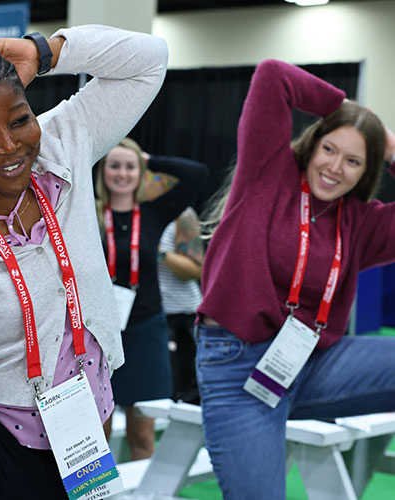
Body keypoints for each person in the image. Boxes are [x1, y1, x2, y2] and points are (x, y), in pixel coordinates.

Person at [0, 24, 168, 499]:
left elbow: (149, 60)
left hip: (80, 424)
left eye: (20, 119)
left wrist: (46, 52)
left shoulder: (63, 148)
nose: (9, 145)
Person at [196, 58, 395, 500]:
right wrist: (348, 110)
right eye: (330, 150)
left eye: (354, 161)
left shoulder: (361, 222)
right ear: (312, 143)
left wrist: (391, 147)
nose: (335, 168)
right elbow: (272, 74)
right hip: (237, 366)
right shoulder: (269, 171)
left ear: (367, 172)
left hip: (314, 364)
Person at [95, 138, 207, 460]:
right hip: (99, 333)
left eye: (130, 167)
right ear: (103, 170)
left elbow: (197, 174)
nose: (122, 173)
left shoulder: (155, 212)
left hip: (146, 329)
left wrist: (149, 157)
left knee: (142, 434)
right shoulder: (86, 212)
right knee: (96, 435)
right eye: (114, 165)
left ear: (140, 172)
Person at [157, 206, 204, 403]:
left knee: (184, 396)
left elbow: (198, 270)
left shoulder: (183, 214)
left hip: (182, 317)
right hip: (144, 317)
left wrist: (158, 252)